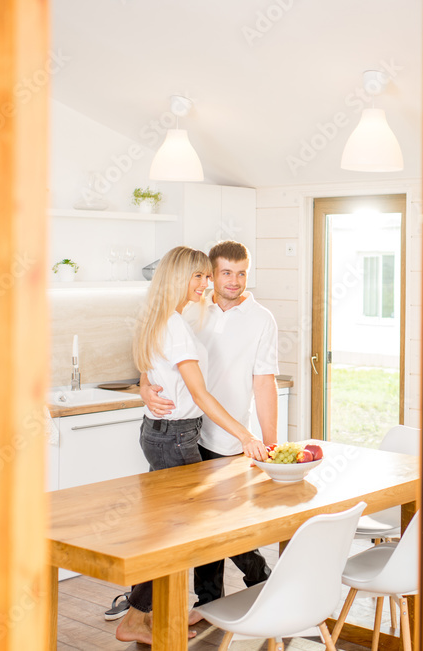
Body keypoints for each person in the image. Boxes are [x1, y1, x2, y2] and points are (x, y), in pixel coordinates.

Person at [114, 245, 269, 645]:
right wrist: (247, 436)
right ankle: (145, 612)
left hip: (168, 432)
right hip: (180, 433)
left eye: (205, 276)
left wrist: (258, 437)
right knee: (188, 530)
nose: (205, 284)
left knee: (176, 529)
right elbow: (196, 393)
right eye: (200, 276)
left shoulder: (167, 316)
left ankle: (147, 612)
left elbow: (155, 368)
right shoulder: (181, 321)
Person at [142, 240, 280, 609]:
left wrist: (271, 444)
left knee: (217, 524)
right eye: (224, 273)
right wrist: (144, 386)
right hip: (184, 431)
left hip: (229, 437)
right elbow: (156, 358)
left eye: (241, 273)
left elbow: (264, 383)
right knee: (193, 525)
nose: (233, 281)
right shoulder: (188, 308)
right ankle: (208, 603)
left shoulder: (261, 319)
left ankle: (258, 579)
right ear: (209, 274)